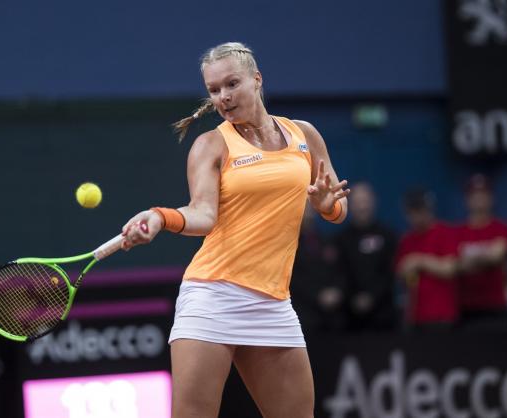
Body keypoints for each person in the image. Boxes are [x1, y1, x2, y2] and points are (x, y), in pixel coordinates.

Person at [120, 42, 350, 418]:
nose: (222, 97)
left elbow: (337, 207)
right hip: (212, 297)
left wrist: (328, 207)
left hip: (273, 303)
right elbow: (202, 214)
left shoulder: (304, 135)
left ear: (256, 80)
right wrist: (161, 217)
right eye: (213, 90)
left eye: (231, 84)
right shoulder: (211, 145)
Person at [334, 182, 398, 332]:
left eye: (365, 201)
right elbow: (340, 273)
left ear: (373, 202)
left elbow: (391, 271)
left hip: (383, 317)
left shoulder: (388, 236)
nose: (362, 207)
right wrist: (353, 298)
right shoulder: (341, 240)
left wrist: (372, 297)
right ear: (350, 205)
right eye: (358, 202)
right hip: (350, 318)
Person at [456, 174, 507, 328]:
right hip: (466, 309)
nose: (479, 199)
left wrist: (469, 260)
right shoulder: (458, 232)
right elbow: (455, 265)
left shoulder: (501, 228)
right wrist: (484, 257)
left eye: (483, 194)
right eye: (475, 195)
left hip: (495, 307)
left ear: (491, 198)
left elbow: (497, 255)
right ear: (467, 199)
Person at [395, 188, 459, 329]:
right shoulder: (407, 240)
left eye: (420, 209)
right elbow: (401, 272)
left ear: (429, 209)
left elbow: (450, 268)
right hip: (416, 317)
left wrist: (419, 261)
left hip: (443, 316)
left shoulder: (445, 232)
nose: (417, 215)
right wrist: (405, 270)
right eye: (412, 211)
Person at [291, 203, 345, 336]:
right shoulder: (289, 243)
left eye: (310, 204)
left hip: (330, 318)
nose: (308, 208)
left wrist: (337, 291)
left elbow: (340, 271)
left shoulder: (327, 240)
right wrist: (318, 295)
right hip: (303, 317)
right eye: (303, 204)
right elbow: (294, 277)